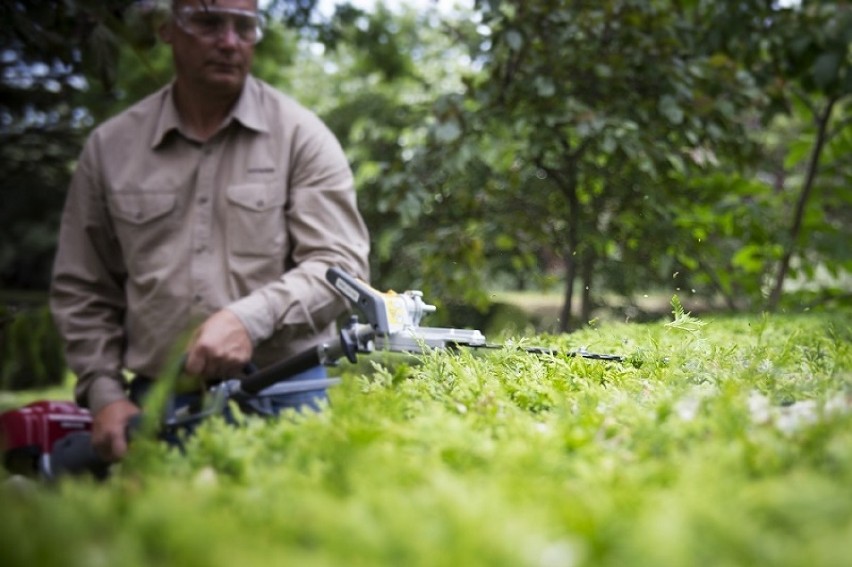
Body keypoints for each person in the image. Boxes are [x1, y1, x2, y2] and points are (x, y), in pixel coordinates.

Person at [50, 0, 370, 463]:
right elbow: (82, 287)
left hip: (287, 393)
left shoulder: (303, 137)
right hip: (158, 404)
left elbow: (341, 268)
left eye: (244, 27)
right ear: (166, 27)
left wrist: (250, 319)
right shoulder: (110, 149)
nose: (228, 42)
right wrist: (103, 394)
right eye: (207, 22)